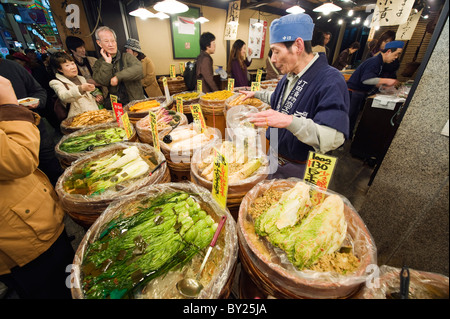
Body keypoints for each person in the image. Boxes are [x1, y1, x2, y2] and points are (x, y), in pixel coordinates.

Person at [241, 13, 350, 179]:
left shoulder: (331, 80)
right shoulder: (289, 75)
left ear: (298, 46)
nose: (273, 59)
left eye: (276, 52)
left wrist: (288, 121)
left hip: (303, 167)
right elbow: (281, 102)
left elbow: (334, 137)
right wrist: (256, 94)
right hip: (275, 155)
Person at [0, 75, 74, 299]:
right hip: (20, 236)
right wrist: (9, 105)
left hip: (29, 219)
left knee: (69, 276)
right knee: (56, 288)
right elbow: (19, 160)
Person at [0, 55, 63, 186]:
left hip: (37, 130)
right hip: (10, 146)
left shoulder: (11, 67)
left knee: (53, 170)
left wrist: (37, 101)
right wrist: (9, 106)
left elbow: (39, 91)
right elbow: (19, 164)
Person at [347, 41, 404, 138]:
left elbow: (371, 79)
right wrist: (387, 80)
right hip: (353, 93)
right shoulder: (375, 62)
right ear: (389, 51)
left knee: (352, 118)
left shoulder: (379, 62)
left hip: (358, 94)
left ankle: (346, 138)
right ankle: (340, 143)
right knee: (348, 118)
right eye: (396, 54)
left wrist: (381, 86)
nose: (396, 58)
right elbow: (366, 79)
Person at [92, 26, 144, 107]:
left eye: (113, 41)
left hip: (135, 103)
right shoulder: (98, 63)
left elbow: (139, 70)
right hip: (116, 105)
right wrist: (107, 63)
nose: (111, 44)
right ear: (99, 43)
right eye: (106, 41)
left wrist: (118, 77)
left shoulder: (127, 57)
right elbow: (103, 81)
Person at [49, 52, 100, 118]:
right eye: (67, 65)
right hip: (78, 119)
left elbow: (88, 98)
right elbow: (64, 96)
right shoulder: (56, 82)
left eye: (73, 63)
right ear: (60, 69)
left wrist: (97, 97)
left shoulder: (81, 78)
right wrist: (81, 88)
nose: (72, 67)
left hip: (94, 115)